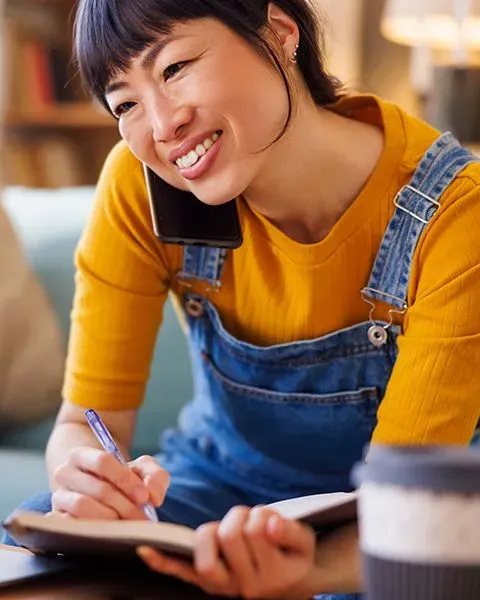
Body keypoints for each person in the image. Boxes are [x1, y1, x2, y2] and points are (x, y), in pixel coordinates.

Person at [2, 0, 480, 597]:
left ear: (279, 33)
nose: (160, 126)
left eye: (175, 67)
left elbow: (411, 514)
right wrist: (87, 481)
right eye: (125, 103)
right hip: (219, 486)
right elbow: (84, 423)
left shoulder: (456, 215)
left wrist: (303, 575)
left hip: (397, 519)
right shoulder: (140, 189)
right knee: (41, 551)